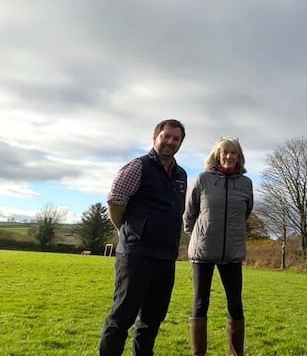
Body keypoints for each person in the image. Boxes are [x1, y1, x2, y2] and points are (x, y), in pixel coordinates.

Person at [98, 119, 187, 356]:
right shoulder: (138, 167)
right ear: (155, 137)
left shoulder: (181, 175)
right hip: (135, 256)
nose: (170, 142)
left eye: (175, 138)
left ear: (180, 143)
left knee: (152, 320)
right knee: (121, 318)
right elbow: (115, 201)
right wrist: (129, 231)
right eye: (165, 136)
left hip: (165, 257)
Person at [183, 136, 254, 356]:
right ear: (217, 155)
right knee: (200, 302)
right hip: (203, 252)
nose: (229, 156)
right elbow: (189, 214)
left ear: (239, 156)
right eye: (225, 152)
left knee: (235, 304)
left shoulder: (246, 183)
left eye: (234, 153)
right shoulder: (203, 179)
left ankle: (236, 353)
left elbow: (246, 213)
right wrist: (201, 235)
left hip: (232, 253)